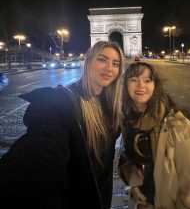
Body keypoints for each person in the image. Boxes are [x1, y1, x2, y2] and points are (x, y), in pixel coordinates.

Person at [0, 41, 125, 209]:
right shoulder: (61, 102)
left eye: (115, 63)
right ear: (87, 61)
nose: (110, 68)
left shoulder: (113, 105)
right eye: (102, 60)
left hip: (101, 197)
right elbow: (42, 147)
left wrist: (127, 161)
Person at [118, 62, 190, 209]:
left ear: (156, 85)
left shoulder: (180, 128)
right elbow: (130, 161)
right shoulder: (128, 121)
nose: (141, 85)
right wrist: (130, 174)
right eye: (134, 79)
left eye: (147, 80)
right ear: (125, 84)